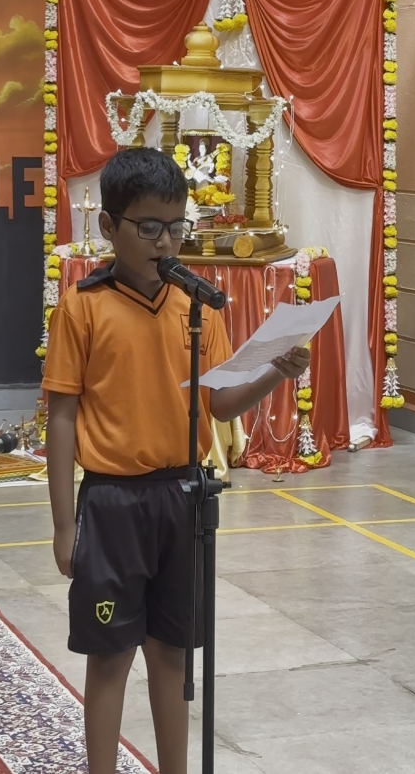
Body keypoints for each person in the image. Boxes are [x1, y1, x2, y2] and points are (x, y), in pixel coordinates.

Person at [42, 147, 309, 774]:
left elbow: (219, 404)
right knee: (110, 656)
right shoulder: (83, 306)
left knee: (172, 652)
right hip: (111, 502)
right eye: (148, 227)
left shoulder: (195, 307)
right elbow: (61, 416)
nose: (165, 242)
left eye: (175, 226)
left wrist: (276, 371)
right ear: (109, 227)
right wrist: (62, 525)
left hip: (181, 496)